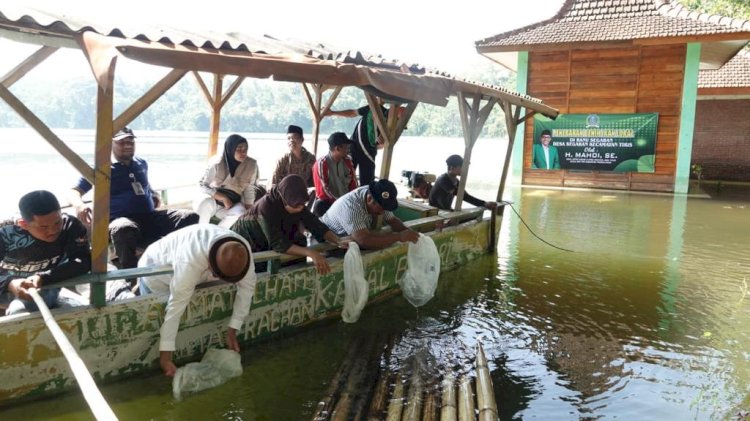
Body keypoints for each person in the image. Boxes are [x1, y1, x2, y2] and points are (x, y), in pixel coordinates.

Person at [68, 127, 198, 277]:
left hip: (148, 216)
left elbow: (144, 184)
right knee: (124, 229)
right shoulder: (101, 168)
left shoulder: (141, 163)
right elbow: (74, 191)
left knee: (189, 217)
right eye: (122, 142)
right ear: (111, 145)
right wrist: (79, 205)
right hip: (119, 219)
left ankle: (180, 263)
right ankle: (131, 276)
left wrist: (153, 193)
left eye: (130, 141)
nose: (128, 145)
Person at [136, 224, 255, 377]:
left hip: (190, 272)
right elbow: (174, 309)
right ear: (211, 264)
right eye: (217, 275)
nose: (218, 279)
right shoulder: (189, 262)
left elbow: (247, 289)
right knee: (157, 312)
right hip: (155, 272)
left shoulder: (241, 252)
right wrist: (166, 358)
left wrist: (233, 329)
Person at [231, 175, 342, 274]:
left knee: (299, 243)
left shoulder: (296, 200)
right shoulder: (266, 207)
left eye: (302, 205)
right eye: (296, 206)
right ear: (284, 200)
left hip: (269, 239)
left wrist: (338, 240)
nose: (300, 208)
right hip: (246, 242)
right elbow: (278, 244)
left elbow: (315, 224)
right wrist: (311, 253)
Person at [1, 190, 90, 315]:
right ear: (23, 224)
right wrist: (9, 283)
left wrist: (44, 276)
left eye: (57, 222)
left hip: (42, 287)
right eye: (43, 227)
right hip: (4, 287)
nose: (53, 230)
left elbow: (83, 261)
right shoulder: (5, 233)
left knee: (20, 312)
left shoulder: (70, 226)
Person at [320, 179, 419, 250]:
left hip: (352, 239)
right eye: (381, 209)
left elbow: (392, 221)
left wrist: (413, 235)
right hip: (329, 243)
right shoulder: (351, 207)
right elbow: (363, 241)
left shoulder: (378, 197)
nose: (382, 213)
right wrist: (399, 237)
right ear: (369, 199)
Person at [325, 101, 404, 186]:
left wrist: (382, 142)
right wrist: (333, 113)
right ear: (392, 114)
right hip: (353, 148)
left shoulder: (392, 129)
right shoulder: (375, 108)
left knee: (367, 184)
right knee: (345, 177)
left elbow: (382, 146)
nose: (396, 123)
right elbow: (352, 113)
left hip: (369, 154)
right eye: (397, 120)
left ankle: (364, 197)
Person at [195, 134, 260, 226]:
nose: (243, 152)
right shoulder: (216, 162)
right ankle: (200, 232)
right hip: (212, 200)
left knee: (240, 213)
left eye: (245, 149)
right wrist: (223, 197)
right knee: (206, 202)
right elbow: (201, 185)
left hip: (232, 203)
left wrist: (250, 210)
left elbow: (249, 188)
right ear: (230, 149)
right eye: (239, 148)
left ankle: (216, 235)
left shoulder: (251, 165)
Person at [429, 155, 498, 212]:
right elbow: (462, 196)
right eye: (462, 167)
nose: (465, 170)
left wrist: (484, 203)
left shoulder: (456, 180)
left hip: (445, 211)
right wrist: (484, 203)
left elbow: (465, 195)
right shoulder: (443, 180)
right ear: (452, 168)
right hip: (435, 213)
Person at [311, 132, 358, 217]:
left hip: (346, 202)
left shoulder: (348, 161)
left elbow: (353, 183)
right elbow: (324, 191)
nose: (348, 149)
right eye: (346, 147)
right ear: (337, 148)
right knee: (321, 204)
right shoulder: (322, 163)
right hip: (329, 203)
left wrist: (352, 200)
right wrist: (341, 204)